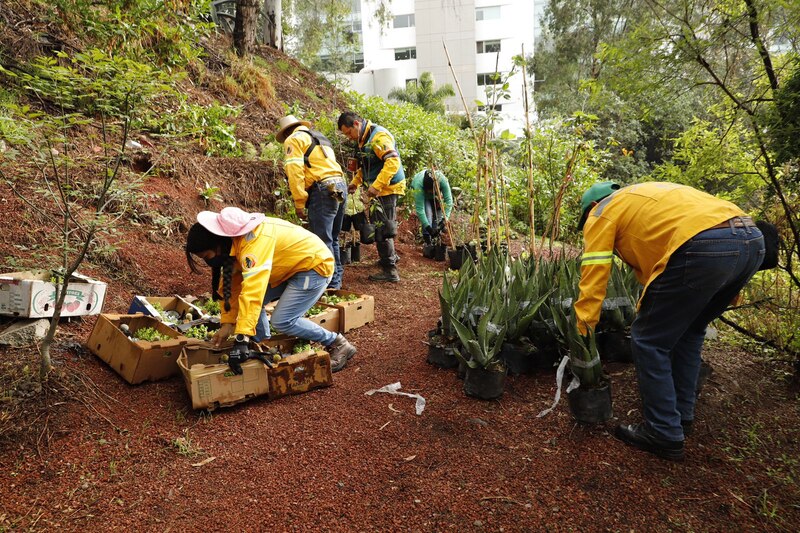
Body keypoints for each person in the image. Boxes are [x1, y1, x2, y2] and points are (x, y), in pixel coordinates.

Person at [574, 182, 765, 461]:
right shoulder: (646, 193)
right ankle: (681, 417)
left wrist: (584, 327)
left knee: (649, 341)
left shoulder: (602, 211)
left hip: (704, 245)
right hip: (750, 239)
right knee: (689, 331)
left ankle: (663, 432)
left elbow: (595, 269)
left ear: (592, 206)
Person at [185, 207, 357, 373]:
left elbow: (253, 292)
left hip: (313, 266)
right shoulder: (235, 242)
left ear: (217, 244)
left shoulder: (253, 245)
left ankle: (338, 343)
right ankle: (260, 341)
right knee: (251, 306)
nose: (208, 263)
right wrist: (228, 323)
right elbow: (233, 287)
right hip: (289, 269)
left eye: (206, 257)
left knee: (282, 321)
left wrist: (241, 338)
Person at [276, 115, 348, 290]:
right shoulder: (320, 138)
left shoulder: (294, 140)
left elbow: (294, 172)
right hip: (339, 186)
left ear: (286, 133)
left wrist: (299, 202)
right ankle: (335, 282)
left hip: (323, 190)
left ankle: (326, 283)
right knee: (333, 238)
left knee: (323, 240)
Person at [337, 111, 405, 282]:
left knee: (382, 228)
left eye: (348, 132)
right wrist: (355, 182)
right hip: (380, 189)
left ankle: (390, 271)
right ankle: (390, 258)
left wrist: (377, 186)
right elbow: (365, 166)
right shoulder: (363, 140)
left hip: (387, 188)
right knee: (382, 226)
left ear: (356, 125)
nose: (348, 137)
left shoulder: (378, 137)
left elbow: (392, 162)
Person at [410, 166, 453, 244]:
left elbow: (449, 201)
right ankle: (427, 239)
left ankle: (435, 239)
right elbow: (420, 209)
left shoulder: (442, 180)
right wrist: (428, 228)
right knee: (428, 215)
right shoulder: (418, 185)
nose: (430, 192)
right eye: (429, 191)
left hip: (437, 196)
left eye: (431, 191)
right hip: (424, 196)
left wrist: (444, 220)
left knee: (438, 219)